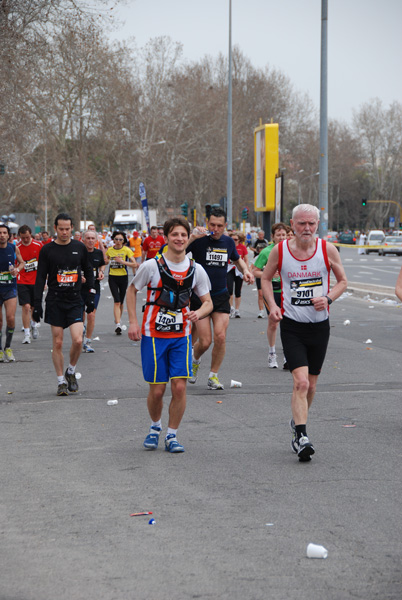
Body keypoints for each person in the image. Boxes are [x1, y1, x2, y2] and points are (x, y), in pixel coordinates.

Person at [261, 204, 347, 461]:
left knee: (311, 386)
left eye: (311, 223)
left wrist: (328, 298)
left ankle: (297, 422)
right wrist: (273, 306)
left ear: (317, 224)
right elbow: (265, 279)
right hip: (292, 326)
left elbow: (343, 281)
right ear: (292, 224)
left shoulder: (326, 249)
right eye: (301, 224)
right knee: (301, 382)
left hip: (319, 326)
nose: (306, 228)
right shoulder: (280, 251)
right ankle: (301, 435)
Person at [127, 217, 212, 453]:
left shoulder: (196, 270)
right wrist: (133, 321)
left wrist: (199, 312)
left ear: (188, 238)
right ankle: (155, 427)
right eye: (175, 234)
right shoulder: (152, 266)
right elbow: (132, 290)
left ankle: (172, 435)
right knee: (157, 390)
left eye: (183, 235)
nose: (179, 239)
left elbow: (208, 302)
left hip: (181, 335)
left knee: (180, 388)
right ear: (167, 238)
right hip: (153, 334)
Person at [186, 206, 254, 389]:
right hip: (200, 297)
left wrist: (246, 271)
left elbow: (236, 259)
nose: (215, 229)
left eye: (219, 226)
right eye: (212, 224)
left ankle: (213, 376)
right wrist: (192, 237)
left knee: (221, 336)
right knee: (206, 341)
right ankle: (195, 359)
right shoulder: (199, 241)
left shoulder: (228, 242)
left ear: (225, 226)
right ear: (207, 223)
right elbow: (176, 253)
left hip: (220, 294)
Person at [33, 213, 95, 396]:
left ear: (72, 228)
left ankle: (71, 371)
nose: (65, 232)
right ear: (55, 228)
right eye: (61, 229)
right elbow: (39, 278)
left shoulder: (79, 247)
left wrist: (91, 294)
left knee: (78, 339)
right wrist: (37, 304)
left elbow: (89, 272)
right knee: (58, 342)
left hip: (75, 299)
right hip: (55, 300)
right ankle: (61, 382)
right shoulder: (47, 250)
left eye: (68, 229)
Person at [252, 222, 287, 367]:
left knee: (288, 324)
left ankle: (288, 355)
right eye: (278, 235)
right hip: (271, 292)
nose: (281, 237)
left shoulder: (293, 251)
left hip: (288, 292)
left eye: (284, 235)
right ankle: (272, 353)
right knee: (273, 323)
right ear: (272, 237)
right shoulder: (266, 252)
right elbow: (254, 270)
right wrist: (269, 274)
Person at [0, 224, 24, 361]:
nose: (2, 235)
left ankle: (8, 347)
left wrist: (17, 269)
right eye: (0, 233)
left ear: (9, 235)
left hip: (10, 287)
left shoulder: (13, 248)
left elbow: (22, 263)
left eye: (4, 233)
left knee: (10, 318)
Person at [81, 229, 107, 352]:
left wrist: (101, 272)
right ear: (83, 240)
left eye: (93, 238)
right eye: (88, 238)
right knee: (81, 315)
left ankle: (87, 341)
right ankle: (81, 330)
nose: (90, 241)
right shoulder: (79, 253)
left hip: (94, 287)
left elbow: (102, 264)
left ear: (96, 240)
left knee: (91, 314)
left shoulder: (98, 253)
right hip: (79, 288)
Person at [106, 230, 136, 334]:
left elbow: (134, 264)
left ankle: (118, 318)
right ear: (113, 240)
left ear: (124, 241)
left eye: (120, 239)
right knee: (117, 301)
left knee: (121, 302)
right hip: (112, 277)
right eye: (116, 239)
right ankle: (118, 324)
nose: (118, 241)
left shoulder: (126, 250)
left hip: (123, 277)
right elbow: (106, 260)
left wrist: (122, 262)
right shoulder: (110, 250)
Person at [16, 225, 43, 343]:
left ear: (30, 234)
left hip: (36, 281)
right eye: (23, 238)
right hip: (22, 280)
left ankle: (33, 324)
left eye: (27, 237)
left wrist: (45, 280)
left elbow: (43, 264)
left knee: (33, 307)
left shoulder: (38, 246)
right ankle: (27, 334)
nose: (25, 240)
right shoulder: (17, 247)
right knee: (26, 307)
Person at [227, 232, 249, 318]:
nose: (234, 241)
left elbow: (246, 260)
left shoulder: (242, 247)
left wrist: (246, 270)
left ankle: (237, 310)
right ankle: (230, 308)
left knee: (238, 291)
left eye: (235, 239)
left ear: (239, 240)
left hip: (239, 270)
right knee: (229, 290)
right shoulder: (228, 246)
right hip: (229, 269)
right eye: (232, 239)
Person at [250, 230, 270, 318]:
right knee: (261, 294)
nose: (261, 236)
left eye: (262, 234)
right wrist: (250, 275)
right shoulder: (257, 256)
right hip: (260, 275)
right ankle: (261, 310)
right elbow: (252, 268)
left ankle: (270, 309)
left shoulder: (266, 244)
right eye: (260, 234)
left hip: (269, 278)